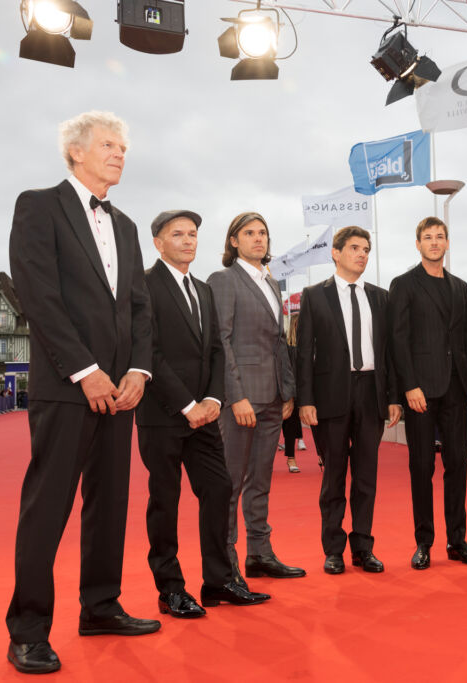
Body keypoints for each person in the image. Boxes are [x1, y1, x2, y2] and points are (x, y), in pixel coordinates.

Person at [6, 112, 158, 674]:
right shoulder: (38, 205)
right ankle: (27, 629)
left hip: (122, 393)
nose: (121, 153)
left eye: (124, 146)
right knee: (47, 508)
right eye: (109, 145)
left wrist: (138, 371)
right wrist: (84, 369)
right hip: (69, 388)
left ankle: (100, 606)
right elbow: (38, 294)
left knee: (110, 505)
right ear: (75, 152)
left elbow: (139, 306)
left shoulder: (126, 226)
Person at [136, 210, 270, 620]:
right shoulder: (143, 285)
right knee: (166, 500)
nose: (188, 240)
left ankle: (219, 580)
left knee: (217, 489)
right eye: (177, 234)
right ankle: (170, 589)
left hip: (206, 415)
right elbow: (149, 351)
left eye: (193, 234)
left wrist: (213, 398)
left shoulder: (203, 288)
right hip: (163, 413)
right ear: (158, 242)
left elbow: (215, 348)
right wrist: (186, 404)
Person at [298, 226, 401, 574]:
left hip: (371, 392)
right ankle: (333, 549)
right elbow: (304, 353)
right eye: (355, 248)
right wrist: (305, 399)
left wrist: (392, 397)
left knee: (366, 477)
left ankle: (363, 547)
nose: (362, 254)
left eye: (366, 249)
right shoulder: (314, 296)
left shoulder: (380, 297)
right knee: (334, 476)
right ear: (336, 252)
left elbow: (388, 353)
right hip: (330, 396)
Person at [207, 212, 303, 583]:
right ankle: (225, 561)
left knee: (261, 480)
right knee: (231, 482)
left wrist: (288, 391)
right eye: (249, 233)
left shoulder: (272, 282)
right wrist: (236, 397)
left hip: (273, 396)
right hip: (242, 399)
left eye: (263, 233)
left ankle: (259, 554)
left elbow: (279, 342)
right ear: (234, 241)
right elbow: (222, 342)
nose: (258, 239)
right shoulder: (224, 280)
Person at [389, 217, 467, 570]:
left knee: (457, 464)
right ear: (418, 244)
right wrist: (408, 385)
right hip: (421, 392)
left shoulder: (461, 287)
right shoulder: (404, 285)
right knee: (422, 466)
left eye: (439, 237)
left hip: (457, 388)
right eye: (427, 237)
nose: (433, 242)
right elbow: (398, 340)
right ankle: (423, 542)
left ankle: (457, 541)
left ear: (447, 243)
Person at [279, 315, 304, 473]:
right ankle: (290, 458)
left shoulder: (310, 346)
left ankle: (292, 458)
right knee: (288, 423)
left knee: (292, 424)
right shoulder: (286, 347)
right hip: (287, 390)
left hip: (303, 390)